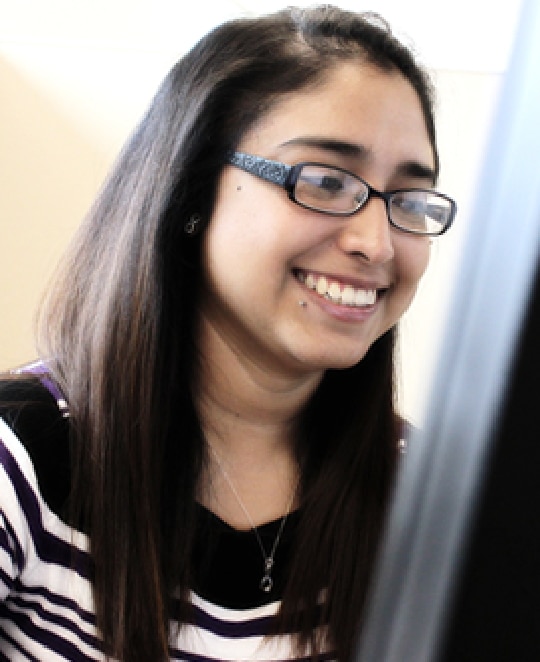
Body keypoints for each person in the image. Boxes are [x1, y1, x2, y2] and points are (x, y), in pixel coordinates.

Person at [0, 5, 456, 661]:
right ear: (191, 193)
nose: (376, 242)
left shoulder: (429, 499)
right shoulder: (21, 453)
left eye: (409, 201)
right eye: (325, 181)